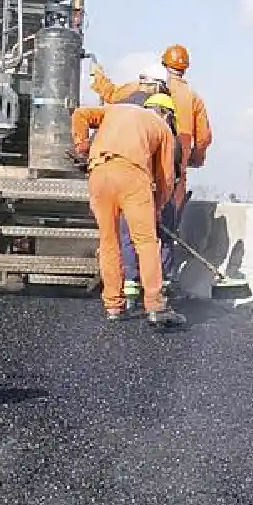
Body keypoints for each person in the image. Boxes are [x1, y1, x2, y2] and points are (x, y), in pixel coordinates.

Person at [71, 94, 186, 329]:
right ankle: (155, 306)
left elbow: (80, 114)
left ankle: (113, 306)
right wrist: (157, 207)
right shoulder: (162, 128)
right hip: (132, 176)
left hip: (99, 173)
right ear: (167, 114)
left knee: (109, 242)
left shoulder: (115, 109)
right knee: (146, 242)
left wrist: (82, 146)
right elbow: (165, 178)